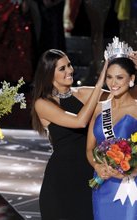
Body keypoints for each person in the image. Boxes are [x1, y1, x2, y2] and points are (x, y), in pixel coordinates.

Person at [31, 48, 108, 219]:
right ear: (49, 73)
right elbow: (80, 121)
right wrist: (100, 81)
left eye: (69, 65)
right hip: (61, 180)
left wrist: (133, 71)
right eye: (62, 68)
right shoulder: (42, 103)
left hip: (89, 174)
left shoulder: (84, 94)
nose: (70, 70)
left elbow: (125, 100)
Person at [86, 38, 137, 219]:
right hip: (102, 184)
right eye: (109, 77)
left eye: (119, 77)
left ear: (131, 79)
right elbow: (90, 148)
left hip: (129, 186)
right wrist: (97, 166)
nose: (113, 83)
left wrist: (131, 170)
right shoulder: (99, 108)